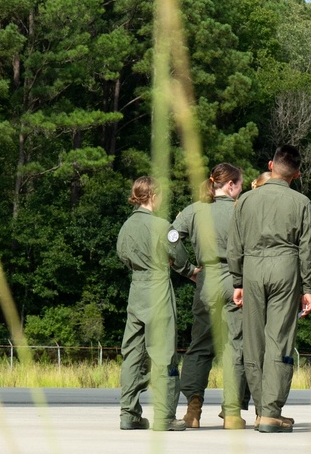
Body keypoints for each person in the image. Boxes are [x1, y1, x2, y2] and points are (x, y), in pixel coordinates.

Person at [228, 144, 311, 433]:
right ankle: (271, 411)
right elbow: (307, 248)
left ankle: (260, 409)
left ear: (270, 165)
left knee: (254, 339)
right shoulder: (301, 202)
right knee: (279, 339)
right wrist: (308, 286)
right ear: (297, 173)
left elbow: (235, 245)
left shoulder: (245, 200)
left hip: (252, 269)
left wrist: (237, 281)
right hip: (286, 267)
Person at [117, 175, 198, 432]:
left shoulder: (126, 227)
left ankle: (128, 413)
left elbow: (123, 256)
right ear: (153, 196)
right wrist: (192, 272)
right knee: (163, 354)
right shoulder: (163, 226)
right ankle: (164, 416)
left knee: (133, 352)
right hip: (158, 288)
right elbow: (181, 258)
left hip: (136, 289)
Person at [171, 163, 248, 430]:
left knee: (200, 346)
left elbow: (169, 239)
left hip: (206, 282)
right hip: (237, 282)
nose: (242, 190)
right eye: (240, 185)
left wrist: (187, 269)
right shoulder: (243, 209)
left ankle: (193, 410)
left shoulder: (193, 211)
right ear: (230, 185)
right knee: (234, 346)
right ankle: (232, 413)